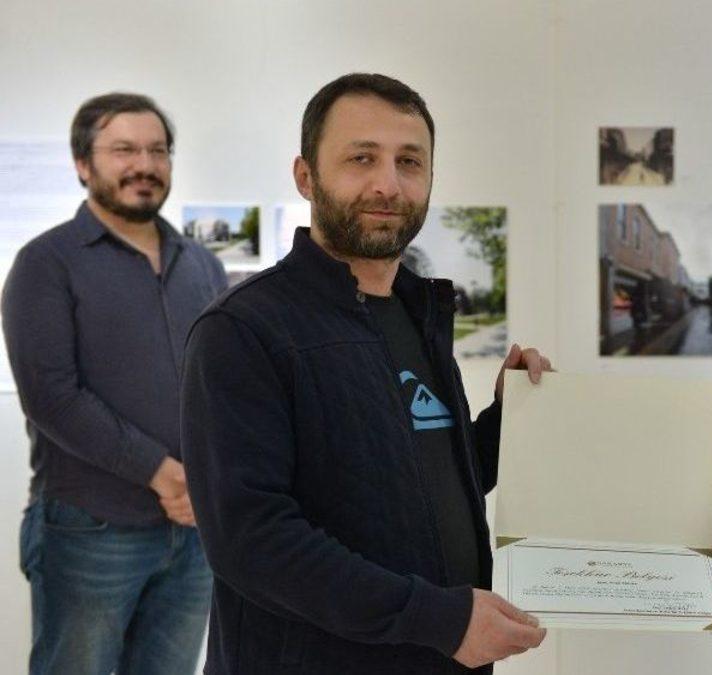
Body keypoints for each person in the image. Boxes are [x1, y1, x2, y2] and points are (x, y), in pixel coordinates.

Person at [181, 73, 549, 674]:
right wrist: (441, 619)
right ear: (306, 177)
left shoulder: (417, 313)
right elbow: (251, 542)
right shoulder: (243, 330)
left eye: (410, 162)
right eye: (361, 158)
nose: (388, 184)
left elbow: (419, 483)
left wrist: (511, 420)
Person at [2, 92, 226, 674]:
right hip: (90, 529)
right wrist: (162, 472)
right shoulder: (45, 263)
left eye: (157, 150)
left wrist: (208, 480)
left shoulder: (203, 266)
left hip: (194, 531)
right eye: (124, 150)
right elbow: (52, 396)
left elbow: (222, 387)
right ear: (83, 164)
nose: (144, 165)